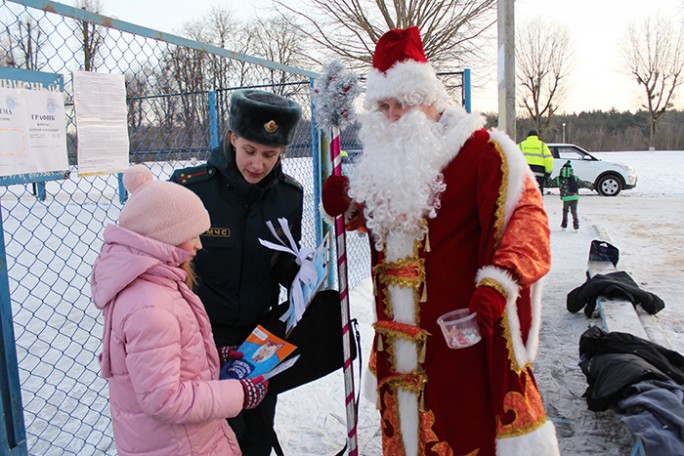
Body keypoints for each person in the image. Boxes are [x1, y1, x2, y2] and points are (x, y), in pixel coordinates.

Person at [322, 27, 560, 456]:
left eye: (403, 103)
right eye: (385, 106)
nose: (394, 116)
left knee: (462, 433)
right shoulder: (385, 160)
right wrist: (353, 208)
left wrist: (497, 284)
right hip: (396, 346)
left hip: (461, 341)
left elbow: (528, 222)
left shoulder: (485, 153)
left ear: (430, 98)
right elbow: (388, 229)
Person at [91, 164, 269, 456]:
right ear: (164, 237)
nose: (199, 245)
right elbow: (164, 398)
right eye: (192, 234)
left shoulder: (154, 285)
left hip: (178, 440)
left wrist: (212, 359)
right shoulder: (151, 307)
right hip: (177, 445)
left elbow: (163, 362)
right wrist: (239, 393)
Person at [170, 89, 303, 456]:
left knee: (258, 432)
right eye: (249, 150)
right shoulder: (191, 189)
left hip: (260, 340)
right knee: (214, 438)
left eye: (269, 155)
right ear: (232, 137)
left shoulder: (289, 196)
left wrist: (305, 276)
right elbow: (169, 267)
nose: (258, 164)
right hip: (204, 339)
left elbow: (280, 260)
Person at [554, 160, 592, 231]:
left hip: (565, 198)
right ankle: (576, 225)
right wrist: (591, 185)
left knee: (565, 211)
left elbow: (550, 183)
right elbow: (582, 183)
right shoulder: (575, 178)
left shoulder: (559, 179)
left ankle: (564, 224)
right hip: (575, 197)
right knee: (574, 211)